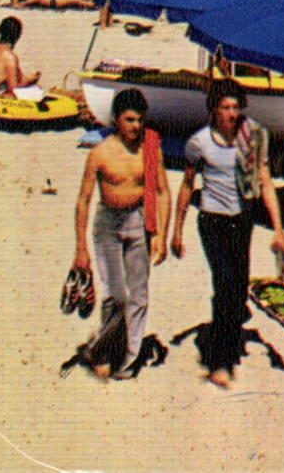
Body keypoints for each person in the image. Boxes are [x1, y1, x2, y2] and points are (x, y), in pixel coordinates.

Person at [171, 79, 284, 390]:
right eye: (225, 107)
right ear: (213, 109)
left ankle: (231, 318)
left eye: (236, 106)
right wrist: (176, 230)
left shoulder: (253, 137)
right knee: (224, 284)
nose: (232, 113)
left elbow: (265, 181)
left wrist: (279, 229)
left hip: (243, 221)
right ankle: (221, 361)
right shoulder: (199, 142)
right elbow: (187, 186)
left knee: (238, 287)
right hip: (212, 222)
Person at [71, 88, 169, 379]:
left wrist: (161, 235)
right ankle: (105, 351)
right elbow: (83, 201)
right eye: (129, 120)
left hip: (138, 223)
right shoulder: (100, 153)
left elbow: (163, 191)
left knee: (138, 294)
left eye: (140, 120)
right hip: (108, 226)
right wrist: (80, 248)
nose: (136, 126)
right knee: (115, 294)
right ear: (116, 120)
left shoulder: (150, 149)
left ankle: (126, 361)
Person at [0, 16, 41, 100]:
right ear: (17, 36)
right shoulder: (9, 56)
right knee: (38, 92)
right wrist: (30, 81)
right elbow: (14, 89)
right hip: (1, 96)